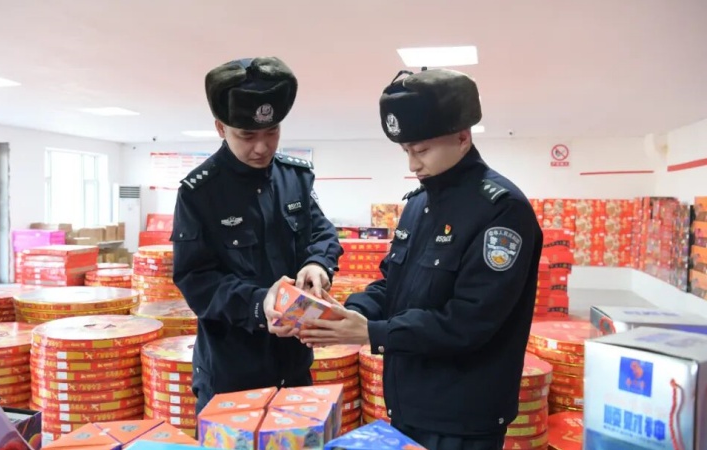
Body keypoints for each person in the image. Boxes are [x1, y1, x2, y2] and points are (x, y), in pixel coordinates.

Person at [298, 68, 543, 449]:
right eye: (406, 151)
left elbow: (470, 322)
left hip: (463, 415)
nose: (412, 165)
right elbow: (392, 286)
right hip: (408, 402)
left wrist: (371, 333)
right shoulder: (418, 205)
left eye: (422, 150)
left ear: (462, 137)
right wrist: (341, 313)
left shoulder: (501, 211)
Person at [171, 56, 344, 416]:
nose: (262, 147)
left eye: (272, 132)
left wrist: (318, 263)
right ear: (221, 128)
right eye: (247, 135)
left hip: (294, 366)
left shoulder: (295, 178)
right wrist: (259, 302)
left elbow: (322, 232)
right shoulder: (199, 193)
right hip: (231, 371)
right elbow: (196, 279)